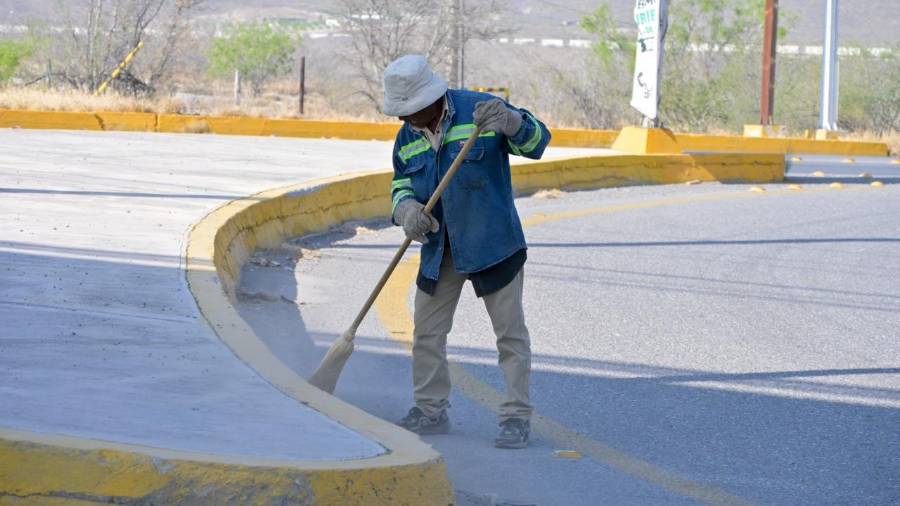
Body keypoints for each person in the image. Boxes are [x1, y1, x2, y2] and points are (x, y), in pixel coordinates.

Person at [382, 55, 550, 449]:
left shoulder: (481, 112)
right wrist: (405, 210)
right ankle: (430, 409)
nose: (406, 120)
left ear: (433, 98)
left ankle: (515, 417)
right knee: (426, 333)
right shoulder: (407, 136)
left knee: (509, 335)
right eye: (400, 113)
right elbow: (401, 182)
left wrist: (514, 123)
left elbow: (538, 142)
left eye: (412, 112)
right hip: (441, 248)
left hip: (493, 243)